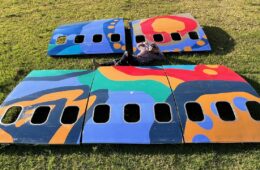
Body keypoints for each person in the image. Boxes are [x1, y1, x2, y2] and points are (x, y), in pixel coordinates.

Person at [92, 42, 165, 68]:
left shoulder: (155, 55)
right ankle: (100, 65)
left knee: (126, 53)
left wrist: (158, 50)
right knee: (117, 60)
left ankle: (118, 65)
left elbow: (162, 58)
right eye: (151, 47)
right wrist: (144, 43)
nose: (151, 49)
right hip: (135, 58)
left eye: (153, 48)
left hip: (138, 63)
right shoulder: (145, 49)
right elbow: (138, 45)